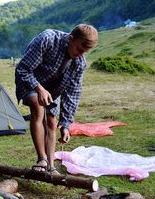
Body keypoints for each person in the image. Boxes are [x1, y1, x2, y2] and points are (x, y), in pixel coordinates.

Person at [15, 24, 98, 174]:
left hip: (52, 90)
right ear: (71, 39)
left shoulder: (79, 63)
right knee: (38, 107)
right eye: (79, 49)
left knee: (52, 122)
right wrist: (39, 88)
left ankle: (51, 167)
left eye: (85, 52)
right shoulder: (47, 40)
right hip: (29, 81)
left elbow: (72, 93)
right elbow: (23, 69)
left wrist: (66, 124)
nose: (81, 54)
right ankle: (42, 159)